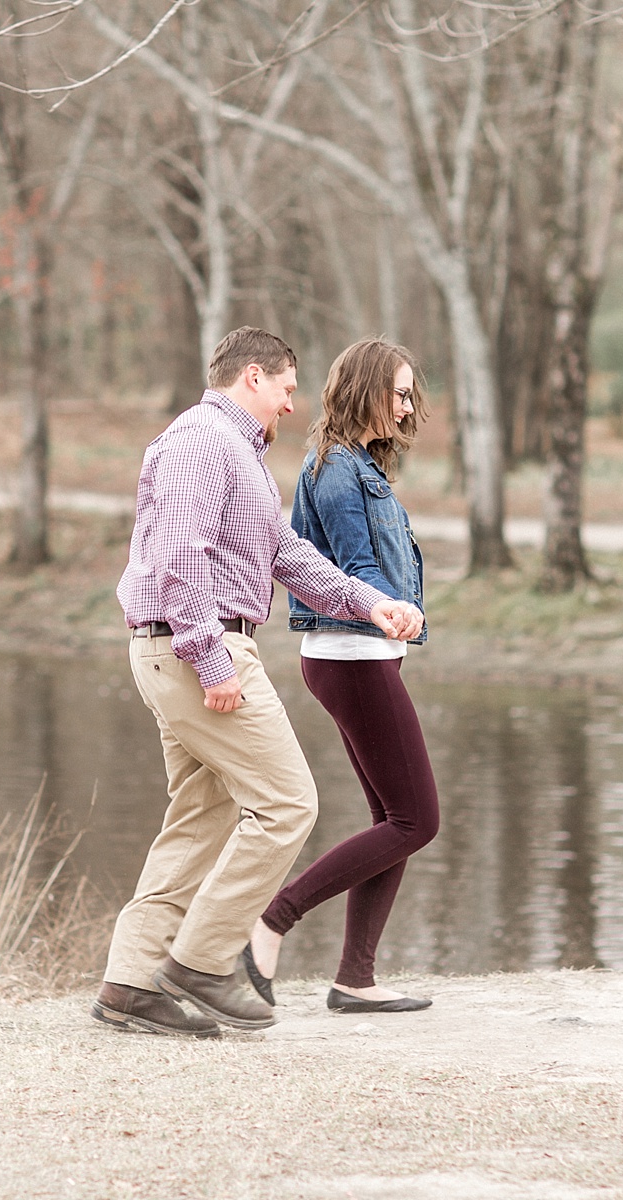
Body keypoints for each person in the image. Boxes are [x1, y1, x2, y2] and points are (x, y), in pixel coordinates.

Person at [93, 327, 424, 1039]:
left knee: (200, 819)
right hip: (198, 648)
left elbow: (287, 555)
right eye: (286, 387)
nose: (291, 402)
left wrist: (372, 603)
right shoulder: (201, 443)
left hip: (186, 647)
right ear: (252, 376)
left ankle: (129, 984)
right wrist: (212, 663)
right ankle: (203, 963)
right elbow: (180, 558)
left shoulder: (237, 453)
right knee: (286, 804)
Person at [244, 337, 439, 1015]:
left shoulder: (356, 465)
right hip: (351, 659)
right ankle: (273, 919)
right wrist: (397, 609)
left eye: (412, 393)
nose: (409, 405)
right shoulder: (336, 471)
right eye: (401, 392)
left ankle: (356, 977)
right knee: (417, 820)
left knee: (394, 817)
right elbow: (355, 570)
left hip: (361, 658)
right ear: (367, 389)